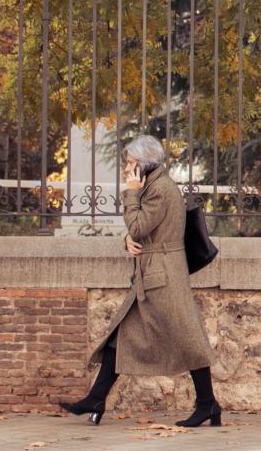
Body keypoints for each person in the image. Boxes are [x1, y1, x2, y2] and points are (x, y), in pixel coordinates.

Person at [60, 135, 219, 427]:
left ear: (143, 165)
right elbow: (142, 232)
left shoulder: (160, 189)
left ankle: (208, 404)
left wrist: (131, 194)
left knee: (189, 339)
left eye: (130, 163)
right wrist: (126, 240)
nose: (126, 169)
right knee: (121, 336)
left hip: (164, 276)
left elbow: (138, 225)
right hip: (153, 272)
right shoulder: (155, 185)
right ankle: (96, 399)